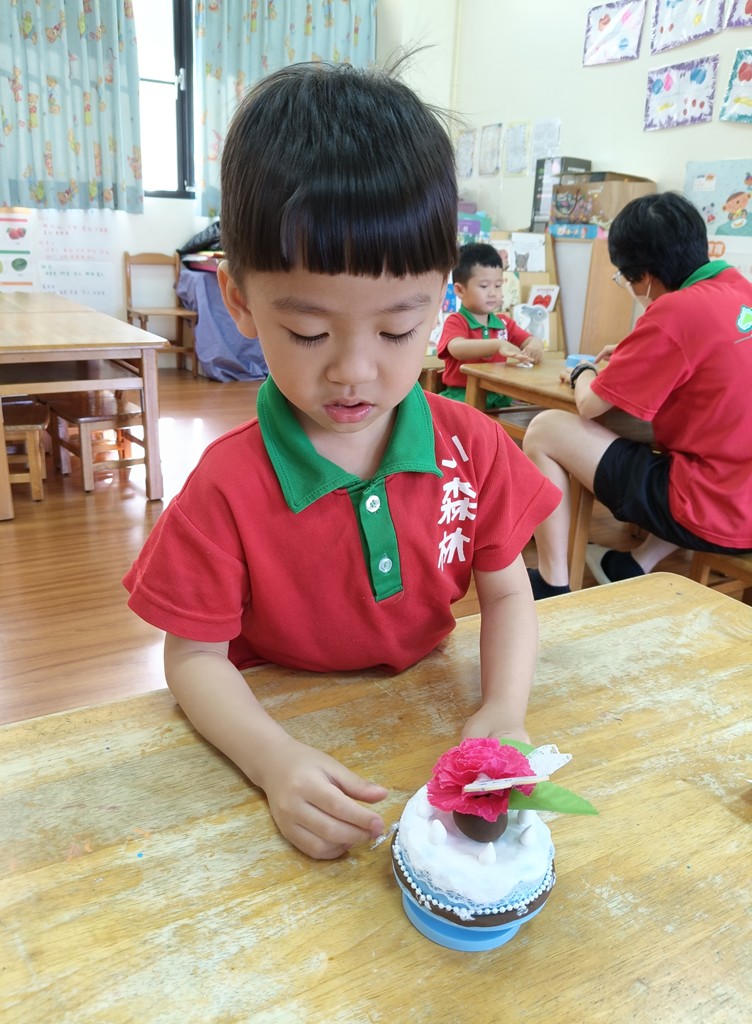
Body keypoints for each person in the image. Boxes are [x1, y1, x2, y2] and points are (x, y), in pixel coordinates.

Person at [123, 62, 561, 860]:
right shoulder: (226, 485)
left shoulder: (473, 446)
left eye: (397, 330)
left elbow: (507, 595)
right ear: (240, 299)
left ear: (441, 298)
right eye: (310, 332)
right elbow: (192, 657)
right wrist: (271, 760)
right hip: (279, 717)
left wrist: (504, 709)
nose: (355, 370)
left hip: (420, 713)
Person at [521, 191, 752, 601]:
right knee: (690, 448)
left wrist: (585, 371)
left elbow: (589, 405)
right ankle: (630, 565)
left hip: (712, 508)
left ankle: (552, 581)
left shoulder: (675, 311)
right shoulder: (739, 288)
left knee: (545, 429)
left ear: (643, 277)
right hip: (741, 495)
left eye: (624, 278)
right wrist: (636, 351)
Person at [436, 242, 545, 409]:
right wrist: (497, 345)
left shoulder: (504, 323)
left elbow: (530, 340)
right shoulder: (456, 321)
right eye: (484, 286)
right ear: (460, 290)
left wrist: (534, 346)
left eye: (498, 285)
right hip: (463, 397)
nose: (493, 292)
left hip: (499, 397)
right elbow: (457, 348)